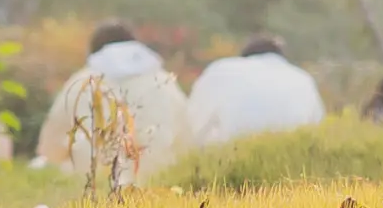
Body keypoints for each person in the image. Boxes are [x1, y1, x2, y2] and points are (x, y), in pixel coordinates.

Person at [34, 20, 186, 189]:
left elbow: (50, 147)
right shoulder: (164, 80)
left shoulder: (81, 81)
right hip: (161, 183)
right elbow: (187, 138)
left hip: (94, 186)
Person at [184, 32, 327, 150]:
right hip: (289, 166)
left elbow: (191, 125)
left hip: (229, 163)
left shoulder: (222, 69)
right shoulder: (302, 79)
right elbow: (319, 133)